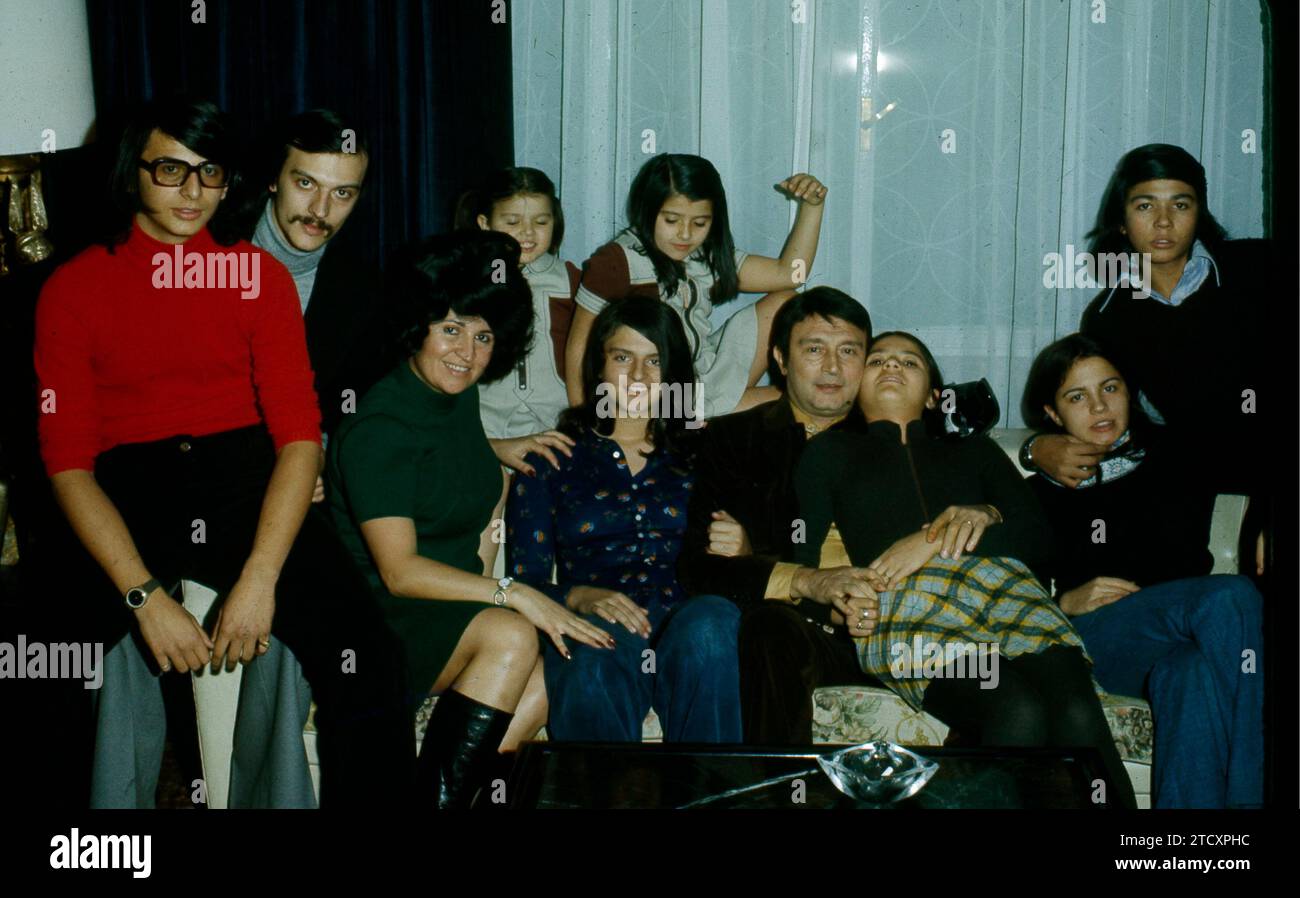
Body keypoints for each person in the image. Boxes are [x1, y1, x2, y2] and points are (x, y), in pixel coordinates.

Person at [33, 95, 412, 807]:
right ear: (132, 172)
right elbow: (68, 463)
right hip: (123, 486)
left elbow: (300, 437)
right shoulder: (73, 288)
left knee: (370, 657)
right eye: (171, 169)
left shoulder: (257, 278)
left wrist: (261, 580)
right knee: (45, 671)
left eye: (210, 173)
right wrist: (143, 596)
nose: (193, 191)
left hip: (244, 478)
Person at [327, 230, 610, 808]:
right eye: (451, 329)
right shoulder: (378, 428)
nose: (467, 353)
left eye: (483, 336)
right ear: (418, 326)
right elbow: (401, 573)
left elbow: (444, 460)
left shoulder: (453, 399)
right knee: (514, 631)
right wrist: (514, 594)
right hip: (382, 620)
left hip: (447, 604)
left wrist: (499, 448)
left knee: (562, 655)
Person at [793, 331, 1137, 808]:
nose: (892, 366)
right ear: (855, 388)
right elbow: (802, 569)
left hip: (1010, 592)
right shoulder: (828, 453)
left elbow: (1040, 544)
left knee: (1078, 712)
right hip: (910, 601)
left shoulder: (974, 451)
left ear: (935, 394)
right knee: (1017, 709)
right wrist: (840, 609)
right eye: (877, 361)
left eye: (909, 362)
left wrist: (970, 521)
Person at [1021, 333, 1263, 808]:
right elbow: (1006, 586)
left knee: (1189, 675)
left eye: (1110, 388)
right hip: (1097, 641)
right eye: (1077, 396)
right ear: (1052, 414)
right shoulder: (1040, 492)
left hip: (1184, 641)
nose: (1099, 406)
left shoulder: (1182, 455)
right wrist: (1060, 602)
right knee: (1232, 596)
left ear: (1130, 392)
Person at [1021, 145, 1271, 570]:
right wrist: (1034, 449)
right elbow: (1114, 423)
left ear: (1199, 213)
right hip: (1200, 478)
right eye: (1144, 205)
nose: (1163, 222)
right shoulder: (1108, 317)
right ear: (1121, 220)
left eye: (1180, 204)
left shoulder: (1260, 269)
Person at [507, 296, 742, 743]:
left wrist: (745, 546)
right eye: (622, 358)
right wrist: (578, 595)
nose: (638, 377)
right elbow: (524, 582)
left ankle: (711, 794)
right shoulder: (553, 457)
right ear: (598, 367)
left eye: (655, 361)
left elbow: (749, 561)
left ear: (673, 374)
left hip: (688, 626)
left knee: (711, 620)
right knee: (590, 650)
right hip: (600, 625)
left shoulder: (707, 453)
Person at [677, 287, 882, 744]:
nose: (832, 367)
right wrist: (806, 580)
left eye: (848, 351)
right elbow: (699, 568)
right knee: (771, 627)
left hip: (893, 626)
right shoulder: (734, 441)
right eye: (813, 349)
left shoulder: (890, 436)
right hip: (795, 634)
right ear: (781, 360)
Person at [566, 153, 827, 417]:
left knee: (785, 300)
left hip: (705, 373)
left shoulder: (704, 254)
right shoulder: (616, 260)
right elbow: (579, 347)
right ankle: (700, 419)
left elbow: (791, 274)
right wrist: (583, 421)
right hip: (663, 394)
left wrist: (812, 207)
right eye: (671, 220)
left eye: (700, 223)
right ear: (647, 211)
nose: (686, 234)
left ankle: (714, 412)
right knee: (794, 403)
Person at [233, 109, 387, 444]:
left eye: (342, 193)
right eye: (306, 183)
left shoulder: (365, 291)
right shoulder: (208, 250)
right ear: (274, 179)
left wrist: (323, 452)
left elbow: (350, 402)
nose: (321, 210)